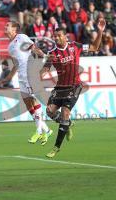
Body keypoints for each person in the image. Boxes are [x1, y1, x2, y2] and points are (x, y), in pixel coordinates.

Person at [40, 18, 106, 158]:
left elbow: (95, 48)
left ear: (65, 36)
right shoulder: (52, 53)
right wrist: (44, 71)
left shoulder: (75, 46)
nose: (56, 38)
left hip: (74, 86)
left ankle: (56, 147)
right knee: (49, 112)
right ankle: (68, 124)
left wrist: (100, 32)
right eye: (55, 36)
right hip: (60, 88)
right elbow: (43, 70)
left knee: (64, 112)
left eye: (59, 36)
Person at [0, 21, 53, 145]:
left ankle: (39, 131)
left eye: (7, 25)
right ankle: (47, 130)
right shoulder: (10, 46)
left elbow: (33, 48)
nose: (5, 27)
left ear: (14, 29)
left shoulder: (21, 37)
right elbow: (16, 64)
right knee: (28, 104)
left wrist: (45, 56)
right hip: (21, 76)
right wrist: (8, 77)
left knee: (34, 100)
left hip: (30, 73)